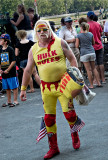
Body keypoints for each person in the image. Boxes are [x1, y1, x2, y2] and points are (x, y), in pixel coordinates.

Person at [20, 20, 85, 159]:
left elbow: (73, 59)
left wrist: (76, 78)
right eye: (39, 30)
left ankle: (74, 133)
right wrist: (23, 89)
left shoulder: (60, 42)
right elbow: (27, 70)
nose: (42, 32)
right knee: (48, 119)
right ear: (36, 33)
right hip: (46, 89)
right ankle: (53, 147)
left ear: (49, 29)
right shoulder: (33, 49)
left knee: (70, 115)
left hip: (63, 86)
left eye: (45, 29)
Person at [76, 22, 101, 88]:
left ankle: (91, 85)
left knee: (88, 70)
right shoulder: (90, 34)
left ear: (81, 27)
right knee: (94, 68)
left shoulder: (79, 36)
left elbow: (76, 45)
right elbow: (93, 42)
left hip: (84, 53)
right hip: (92, 52)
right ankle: (98, 82)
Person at [0, 34, 19, 107]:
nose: (0, 41)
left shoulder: (10, 49)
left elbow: (13, 61)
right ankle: (9, 101)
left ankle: (15, 100)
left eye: (1, 40)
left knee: (14, 86)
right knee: (7, 87)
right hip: (4, 71)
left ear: (5, 41)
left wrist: (8, 69)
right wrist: (0, 70)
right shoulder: (0, 50)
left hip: (11, 71)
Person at [87, 11, 105, 84]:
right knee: (101, 62)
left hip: (92, 46)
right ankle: (103, 79)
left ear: (87, 17)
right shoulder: (98, 24)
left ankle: (96, 79)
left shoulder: (87, 25)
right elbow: (101, 33)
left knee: (95, 64)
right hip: (99, 45)